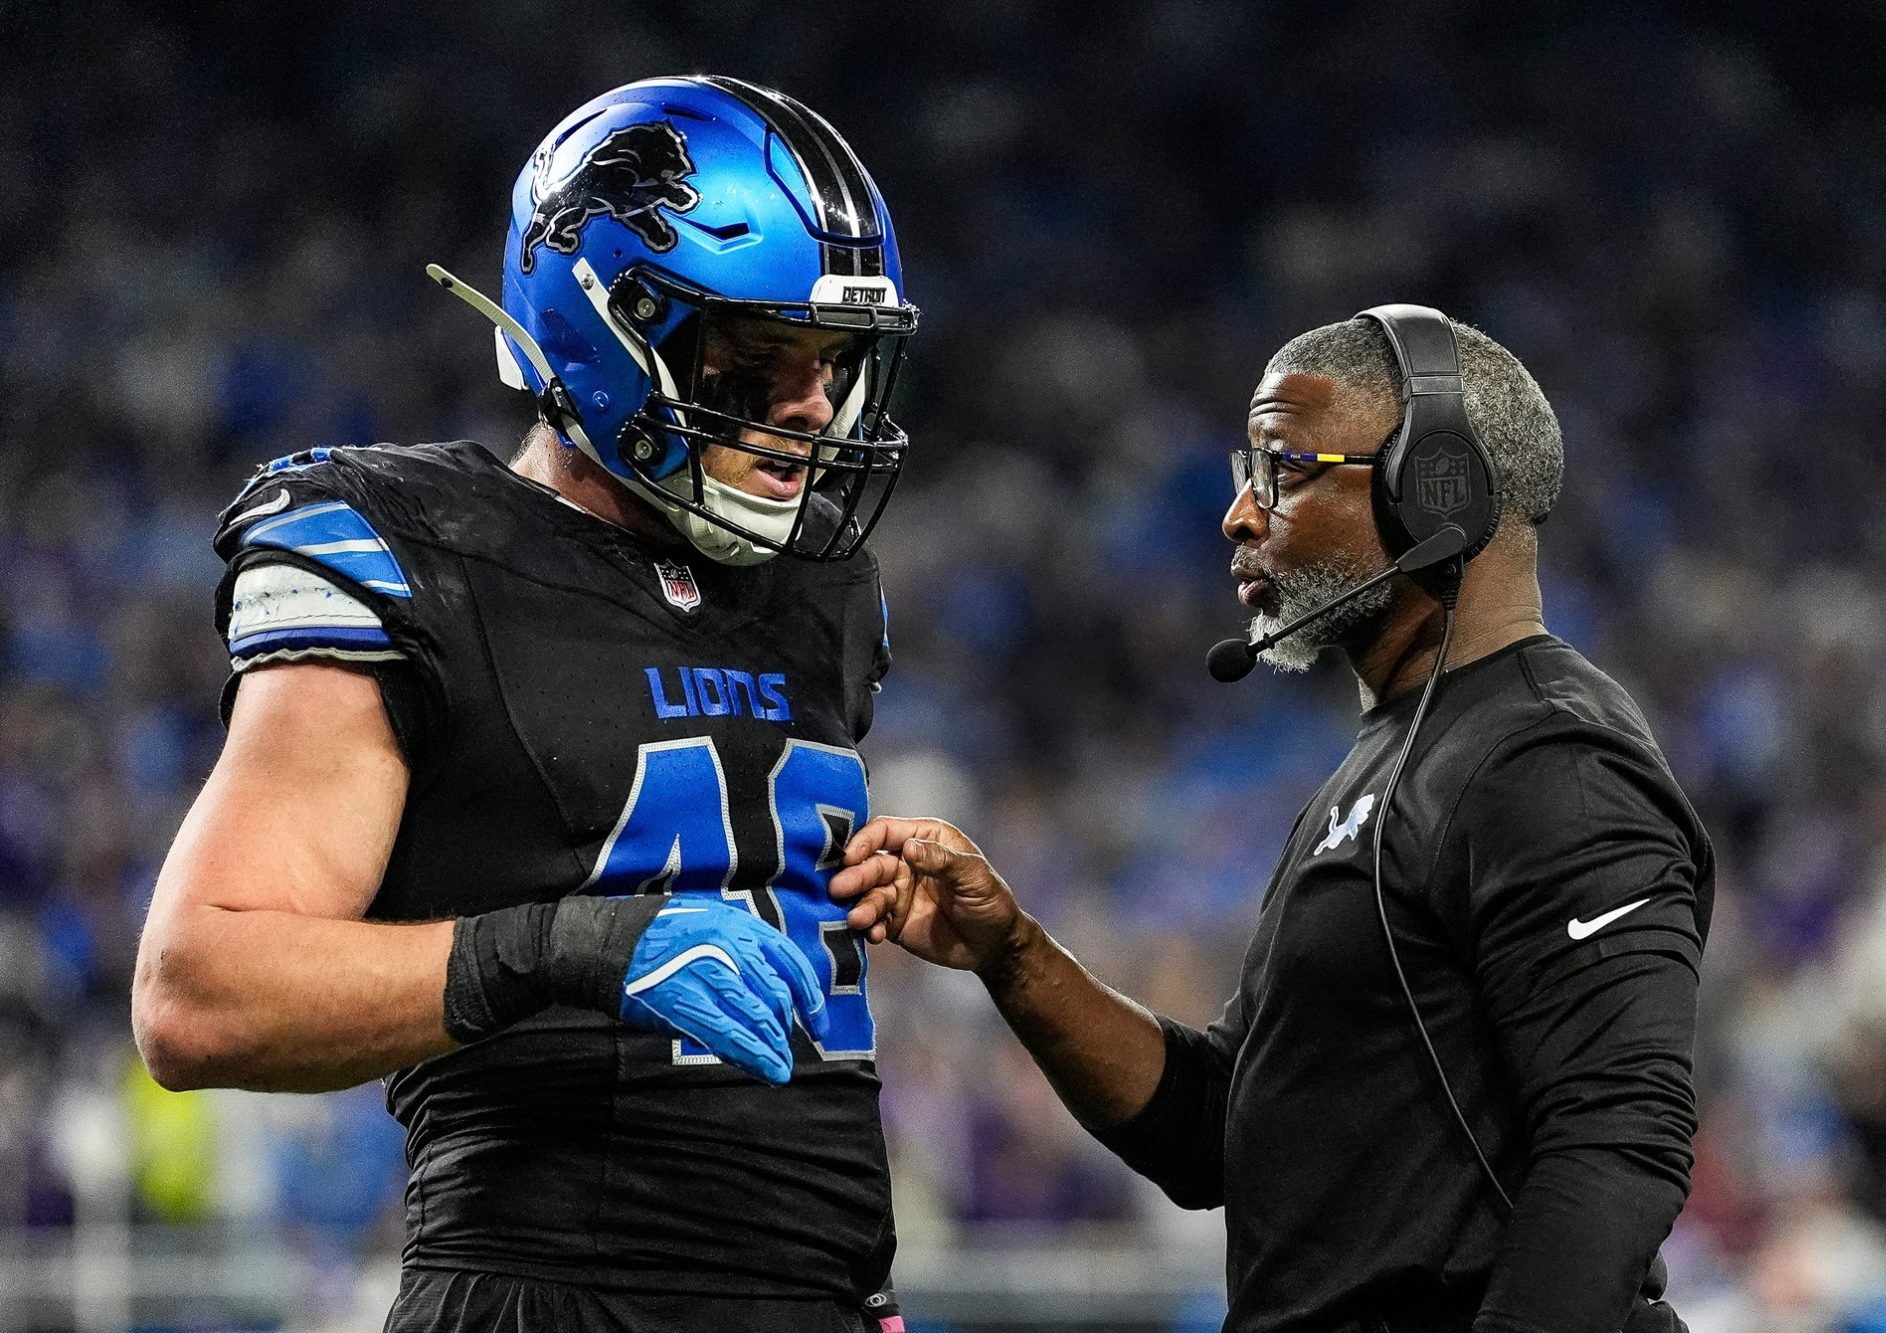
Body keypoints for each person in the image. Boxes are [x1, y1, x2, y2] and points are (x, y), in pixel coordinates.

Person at [132, 77, 917, 1333]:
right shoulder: (414, 549)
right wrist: (569, 946)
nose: (810, 408)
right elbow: (196, 992)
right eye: (760, 360)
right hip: (549, 1297)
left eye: (829, 364)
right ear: (603, 329)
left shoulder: (819, 579)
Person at [834, 308, 1709, 1333]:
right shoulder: (1395, 762)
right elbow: (1215, 1129)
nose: (1238, 514)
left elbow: (1617, 1140)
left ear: (1434, 489)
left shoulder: (1549, 757)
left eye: (1283, 470)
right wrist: (1011, 951)